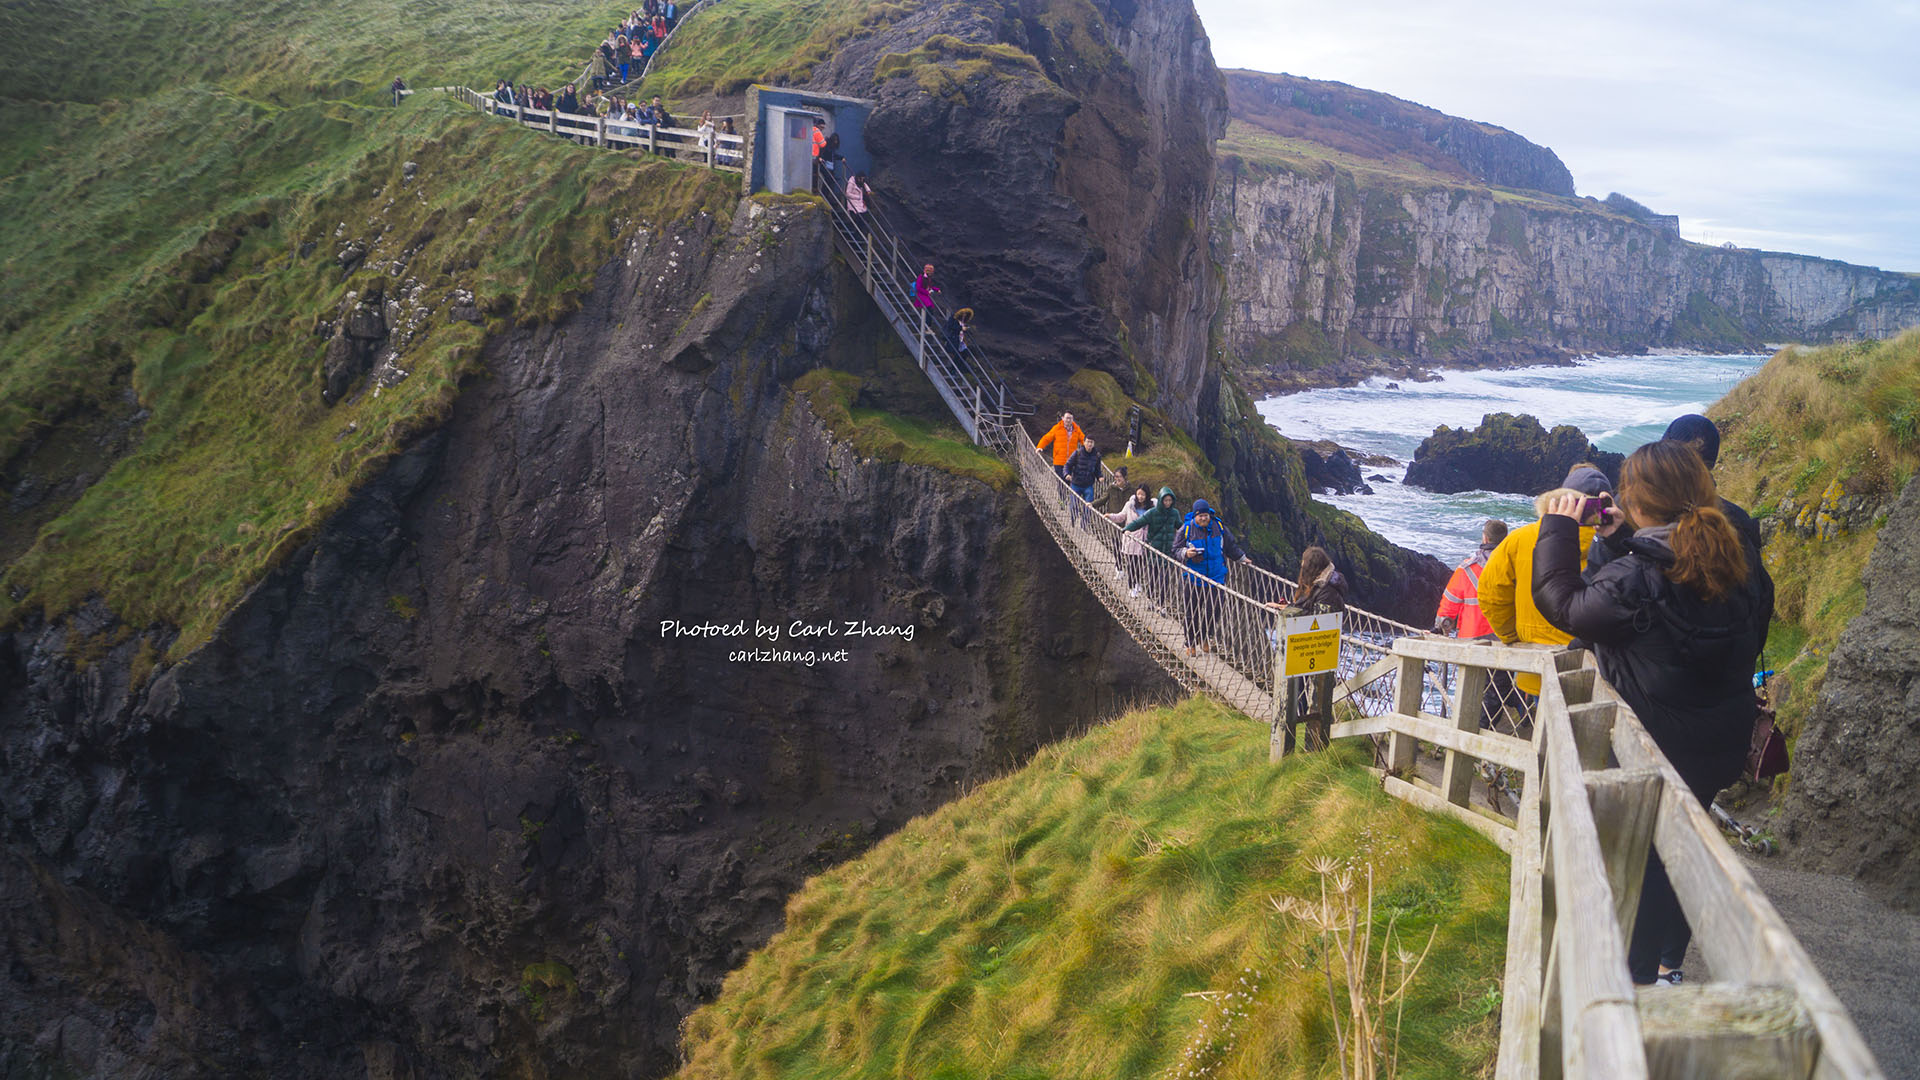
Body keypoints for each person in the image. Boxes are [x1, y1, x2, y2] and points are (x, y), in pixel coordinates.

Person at [1533, 440, 1772, 990]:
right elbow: (1669, 599)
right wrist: (1623, 540)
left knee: (1638, 861)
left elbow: (1564, 604)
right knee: (1682, 846)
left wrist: (1559, 527)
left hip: (1657, 741)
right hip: (1718, 739)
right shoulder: (1734, 558)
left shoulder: (1637, 577)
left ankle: (1633, 986)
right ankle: (1666, 967)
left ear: (1637, 503)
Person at [1478, 465, 1611, 699]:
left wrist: (1514, 635)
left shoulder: (1520, 539)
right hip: (1602, 676)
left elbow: (1491, 594)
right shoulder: (1615, 545)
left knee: (1536, 720)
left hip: (1535, 666)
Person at [1588, 414, 1762, 571]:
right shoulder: (1735, 519)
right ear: (1710, 466)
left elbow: (1595, 583)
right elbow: (1759, 590)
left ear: (1664, 453)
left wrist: (1609, 540)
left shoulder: (1630, 503)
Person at [1173, 499, 1252, 656]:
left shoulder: (1219, 527)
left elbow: (1230, 546)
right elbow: (1175, 550)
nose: (1204, 518)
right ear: (1195, 516)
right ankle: (1190, 643)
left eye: (1206, 515)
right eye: (1200, 516)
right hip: (1194, 577)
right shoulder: (1186, 529)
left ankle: (1203, 637)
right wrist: (1186, 553)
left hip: (1216, 577)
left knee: (1214, 611)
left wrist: (1242, 558)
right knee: (1192, 612)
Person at [1124, 486, 1182, 609]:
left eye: (1170, 500)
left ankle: (1160, 604)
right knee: (1152, 577)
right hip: (1153, 551)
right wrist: (1127, 529)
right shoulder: (1152, 512)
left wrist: (1188, 536)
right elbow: (1139, 522)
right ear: (1161, 500)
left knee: (1164, 580)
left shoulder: (1174, 513)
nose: (1167, 503)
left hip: (1167, 551)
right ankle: (1150, 601)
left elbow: (1180, 527)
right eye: (1165, 500)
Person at [1105, 486, 1155, 597]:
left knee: (1140, 565)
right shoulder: (1130, 505)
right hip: (1131, 539)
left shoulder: (1152, 508)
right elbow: (1121, 516)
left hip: (1144, 541)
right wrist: (1111, 516)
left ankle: (1137, 583)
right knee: (1131, 565)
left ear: (1147, 495)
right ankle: (1132, 587)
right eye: (1138, 494)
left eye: (1143, 494)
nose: (1140, 497)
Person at [1064, 438, 1104, 529]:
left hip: (1088, 485)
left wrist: (1100, 477)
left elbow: (1097, 470)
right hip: (1076, 484)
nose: (1089, 444)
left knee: (1089, 506)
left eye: (1091, 442)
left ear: (1094, 444)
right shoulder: (1077, 453)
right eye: (1088, 442)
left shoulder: (1097, 456)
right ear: (1084, 443)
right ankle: (1073, 523)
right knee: (1074, 505)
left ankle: (1084, 526)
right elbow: (1068, 465)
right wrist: (1067, 474)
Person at [1034, 412, 1084, 481]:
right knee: (1062, 481)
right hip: (1059, 461)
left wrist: (1090, 451)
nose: (1068, 420)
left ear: (1072, 419)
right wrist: (1040, 447)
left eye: (1070, 418)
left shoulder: (1076, 429)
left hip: (1071, 462)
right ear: (1063, 418)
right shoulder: (1057, 428)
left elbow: (1083, 440)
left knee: (1070, 483)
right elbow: (1047, 438)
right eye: (1067, 418)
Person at [845, 172, 874, 240]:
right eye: (861, 179)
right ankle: (856, 235)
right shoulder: (851, 183)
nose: (862, 180)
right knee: (858, 218)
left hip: (860, 204)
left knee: (865, 217)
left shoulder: (862, 183)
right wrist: (857, 197)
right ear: (858, 178)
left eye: (863, 179)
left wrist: (868, 191)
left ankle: (860, 234)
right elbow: (847, 193)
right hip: (853, 203)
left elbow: (866, 186)